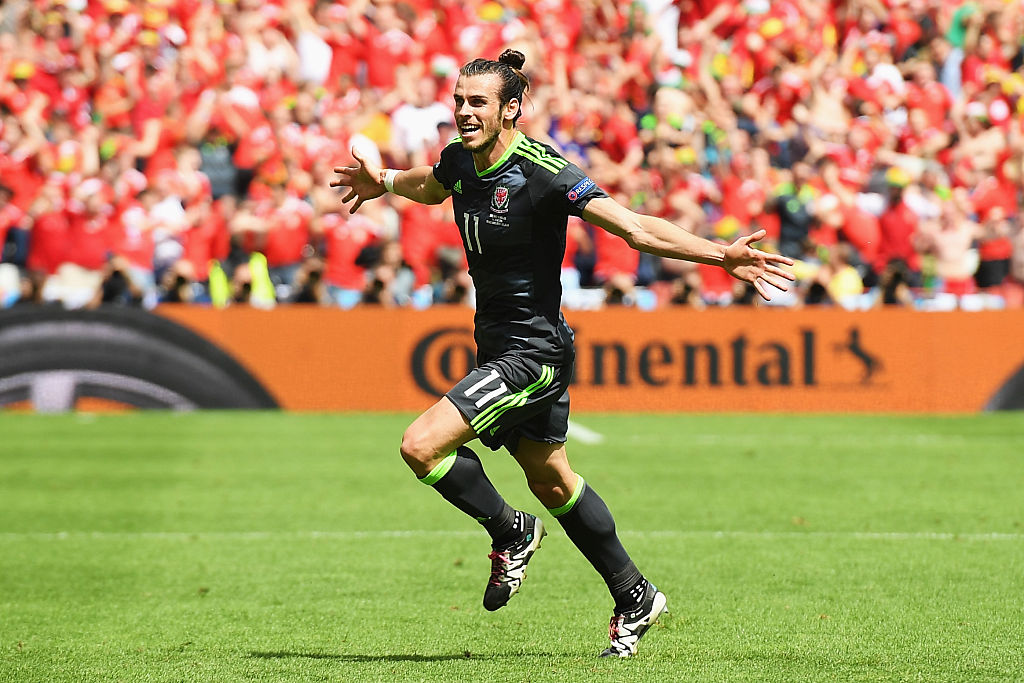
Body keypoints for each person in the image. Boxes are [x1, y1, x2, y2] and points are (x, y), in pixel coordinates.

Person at [332, 50, 794, 659]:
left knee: (420, 445)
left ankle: (510, 530)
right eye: (460, 100)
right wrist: (386, 181)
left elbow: (634, 228)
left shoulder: (543, 171)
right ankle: (635, 595)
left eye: (478, 103)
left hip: (533, 352)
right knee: (552, 481)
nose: (465, 112)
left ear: (510, 109)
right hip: (497, 343)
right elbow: (433, 184)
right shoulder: (461, 159)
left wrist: (719, 255)